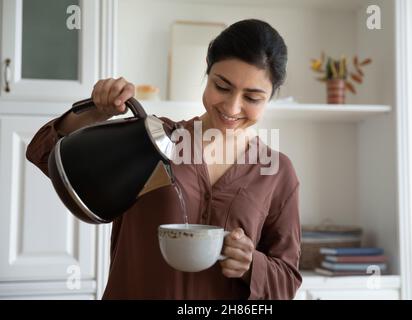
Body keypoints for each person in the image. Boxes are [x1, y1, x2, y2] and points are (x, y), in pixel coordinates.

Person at [26, 19, 302, 299]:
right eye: (222, 86)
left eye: (253, 98)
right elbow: (46, 152)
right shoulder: (153, 138)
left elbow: (287, 281)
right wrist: (97, 112)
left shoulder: (277, 172)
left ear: (271, 96)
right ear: (207, 69)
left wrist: (251, 265)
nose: (232, 107)